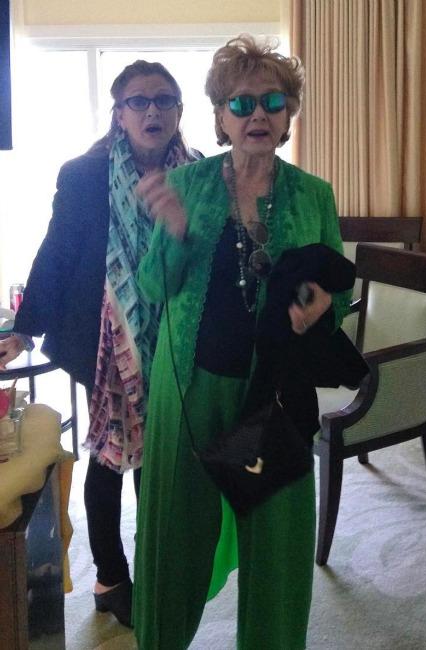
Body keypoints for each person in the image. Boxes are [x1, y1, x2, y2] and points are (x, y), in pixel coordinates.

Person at [132, 35, 354, 649]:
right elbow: (151, 287)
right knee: (175, 539)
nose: (259, 113)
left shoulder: (314, 194)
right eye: (242, 102)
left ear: (288, 115)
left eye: (273, 101)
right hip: (191, 390)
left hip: (274, 396)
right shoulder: (188, 183)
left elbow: (335, 289)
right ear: (221, 117)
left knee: (277, 546)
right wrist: (176, 232)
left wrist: (322, 307)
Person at [0, 60, 200, 627]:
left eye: (164, 99)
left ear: (179, 111)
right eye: (138, 101)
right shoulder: (85, 174)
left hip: (175, 336)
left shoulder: (199, 174)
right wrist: (24, 327)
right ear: (119, 114)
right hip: (102, 339)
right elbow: (57, 250)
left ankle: (155, 563)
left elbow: (207, 249)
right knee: (114, 454)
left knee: (159, 456)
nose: (152, 110)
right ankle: (111, 577)